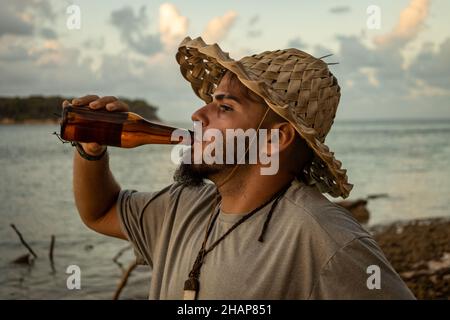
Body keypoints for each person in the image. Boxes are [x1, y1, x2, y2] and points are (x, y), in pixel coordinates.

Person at [64, 36, 414, 299]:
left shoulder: (326, 239)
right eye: (210, 102)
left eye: (225, 107)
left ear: (276, 138)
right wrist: (90, 152)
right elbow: (101, 211)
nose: (198, 115)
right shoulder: (184, 205)